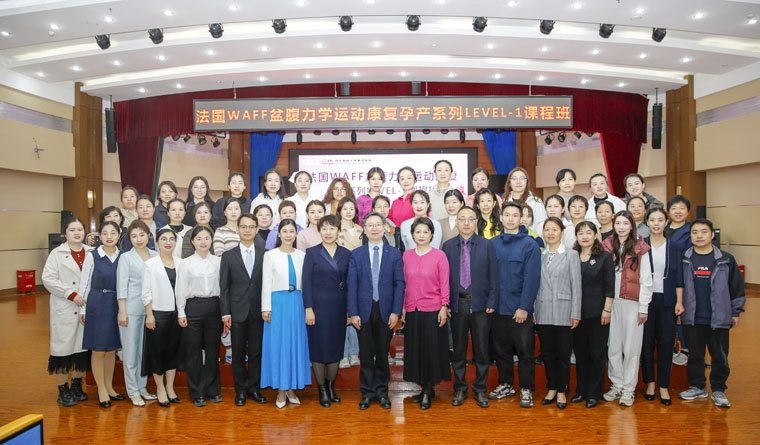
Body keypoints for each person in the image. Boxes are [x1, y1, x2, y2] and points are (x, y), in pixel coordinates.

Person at [676, 219, 745, 408]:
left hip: (719, 316)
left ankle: (719, 389)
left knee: (720, 355)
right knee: (695, 355)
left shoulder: (726, 259)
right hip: (692, 316)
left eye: (704, 232)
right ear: (690, 235)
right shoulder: (683, 258)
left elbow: (737, 287)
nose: (699, 236)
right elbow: (678, 285)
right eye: (695, 232)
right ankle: (697, 386)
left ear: (712, 235)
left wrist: (735, 312)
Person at [348, 211, 405, 410]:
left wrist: (396, 312)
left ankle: (382, 393)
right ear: (364, 229)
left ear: (384, 228)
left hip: (386, 311)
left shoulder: (394, 254)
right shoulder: (356, 254)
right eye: (370, 225)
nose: (374, 228)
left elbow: (399, 284)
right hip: (363, 311)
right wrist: (353, 313)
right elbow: (352, 286)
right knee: (366, 355)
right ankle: (367, 394)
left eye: (378, 224)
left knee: (382, 354)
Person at [442, 206, 497, 408]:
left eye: (470, 219)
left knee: (481, 350)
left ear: (476, 222)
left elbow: (494, 275)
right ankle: (460, 388)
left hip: (481, 304)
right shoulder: (448, 246)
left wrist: (492, 301)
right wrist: (445, 302)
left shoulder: (487, 245)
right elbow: (443, 278)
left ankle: (480, 389)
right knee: (458, 349)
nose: (466, 223)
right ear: (456, 222)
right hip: (457, 304)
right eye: (462, 219)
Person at [489, 202, 541, 408]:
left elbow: (532, 279)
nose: (510, 219)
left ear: (522, 219)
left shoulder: (530, 245)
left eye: (515, 215)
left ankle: (526, 388)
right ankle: (506, 384)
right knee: (501, 350)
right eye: (507, 215)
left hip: (520, 309)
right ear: (501, 218)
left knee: (525, 351)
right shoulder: (492, 244)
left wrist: (524, 307)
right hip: (498, 308)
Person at [602, 211, 652, 407]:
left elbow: (646, 280)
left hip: (633, 303)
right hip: (611, 303)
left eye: (625, 223)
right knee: (613, 347)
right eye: (618, 223)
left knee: (631, 349)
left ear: (632, 225)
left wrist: (643, 307)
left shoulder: (640, 247)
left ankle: (629, 389)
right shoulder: (607, 245)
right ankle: (617, 385)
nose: (621, 227)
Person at [42, 218, 94, 407]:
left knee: (82, 350)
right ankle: (63, 389)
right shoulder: (57, 254)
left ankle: (77, 385)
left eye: (80, 229)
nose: (77, 233)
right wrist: (71, 294)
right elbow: (48, 279)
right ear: (65, 233)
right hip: (65, 306)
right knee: (62, 351)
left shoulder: (91, 252)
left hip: (86, 308)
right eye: (72, 230)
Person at [261, 219, 311, 408]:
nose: (288, 235)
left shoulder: (302, 256)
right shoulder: (270, 255)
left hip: (297, 303)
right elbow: (266, 282)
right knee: (279, 345)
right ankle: (281, 390)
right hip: (277, 304)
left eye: (291, 231)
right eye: (285, 231)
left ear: (296, 234)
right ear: (279, 234)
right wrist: (266, 307)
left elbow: (306, 284)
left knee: (294, 345)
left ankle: (291, 388)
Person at [402, 218, 451, 410]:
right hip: (412, 310)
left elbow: (445, 282)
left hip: (433, 310)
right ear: (412, 235)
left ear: (432, 235)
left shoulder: (439, 256)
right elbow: (403, 284)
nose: (421, 235)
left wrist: (444, 306)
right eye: (418, 232)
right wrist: (403, 307)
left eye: (425, 232)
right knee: (416, 351)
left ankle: (429, 389)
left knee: (431, 351)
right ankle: (424, 388)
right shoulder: (406, 256)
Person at [302, 215, 351, 407]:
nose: (328, 232)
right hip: (317, 308)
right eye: (324, 229)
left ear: (338, 231)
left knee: (335, 348)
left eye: (332, 228)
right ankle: (321, 389)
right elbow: (306, 282)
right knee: (318, 348)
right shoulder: (312, 252)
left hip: (338, 307)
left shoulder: (346, 253)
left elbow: (350, 284)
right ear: (319, 231)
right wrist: (308, 308)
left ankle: (331, 387)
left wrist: (349, 310)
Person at [220, 214, 268, 406]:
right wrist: (225, 312)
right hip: (236, 311)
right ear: (237, 229)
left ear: (257, 229)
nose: (247, 230)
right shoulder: (228, 255)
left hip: (258, 311)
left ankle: (254, 389)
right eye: (244, 226)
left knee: (256, 352)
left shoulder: (266, 254)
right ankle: (240, 391)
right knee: (238, 353)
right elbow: (224, 287)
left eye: (251, 227)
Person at [534, 217, 582, 409]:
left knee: (563, 354)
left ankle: (562, 390)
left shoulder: (571, 255)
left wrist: (576, 313)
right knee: (548, 353)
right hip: (543, 310)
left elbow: (576, 286)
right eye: (547, 229)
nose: (550, 233)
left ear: (562, 232)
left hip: (564, 310)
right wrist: (534, 310)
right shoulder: (540, 256)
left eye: (554, 229)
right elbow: (535, 286)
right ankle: (552, 387)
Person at [176, 226, 224, 407]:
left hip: (214, 307)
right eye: (199, 239)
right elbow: (180, 289)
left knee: (212, 351)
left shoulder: (218, 262)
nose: (203, 242)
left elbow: (223, 289)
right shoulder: (185, 263)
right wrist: (181, 311)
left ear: (212, 240)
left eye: (206, 238)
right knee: (194, 352)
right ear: (192, 242)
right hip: (193, 307)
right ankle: (197, 392)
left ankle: (213, 390)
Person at [571, 221, 615, 409]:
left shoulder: (604, 257)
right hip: (576, 314)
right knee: (581, 354)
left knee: (597, 354)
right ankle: (581, 391)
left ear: (595, 235)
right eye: (580, 233)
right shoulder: (572, 256)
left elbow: (610, 286)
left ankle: (595, 393)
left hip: (598, 313)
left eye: (588, 233)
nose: (585, 236)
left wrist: (607, 309)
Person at [80, 221, 122, 408]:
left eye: (113, 233)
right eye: (105, 233)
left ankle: (110, 387)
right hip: (98, 303)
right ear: (99, 236)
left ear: (119, 235)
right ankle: (101, 389)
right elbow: (84, 283)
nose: (109, 236)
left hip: (116, 304)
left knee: (111, 348)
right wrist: (83, 309)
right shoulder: (93, 256)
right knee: (98, 348)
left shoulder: (123, 256)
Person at [117, 220, 158, 406]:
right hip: (131, 310)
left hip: (151, 311)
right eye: (134, 236)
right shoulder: (126, 258)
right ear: (129, 239)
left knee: (144, 352)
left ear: (148, 235)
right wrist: (122, 312)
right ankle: (133, 391)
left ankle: (142, 388)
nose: (139, 239)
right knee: (131, 353)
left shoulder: (155, 256)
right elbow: (121, 286)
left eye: (142, 235)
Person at [141, 227, 182, 407]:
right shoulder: (150, 264)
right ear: (157, 242)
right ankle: (160, 388)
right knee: (157, 353)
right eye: (163, 239)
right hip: (157, 313)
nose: (168, 242)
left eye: (171, 239)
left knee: (173, 352)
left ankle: (170, 387)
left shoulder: (181, 263)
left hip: (177, 314)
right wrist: (149, 314)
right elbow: (146, 292)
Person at [641, 207, 675, 405]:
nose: (656, 223)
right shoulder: (641, 245)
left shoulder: (674, 246)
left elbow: (679, 277)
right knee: (646, 343)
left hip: (667, 300)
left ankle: (663, 385)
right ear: (647, 223)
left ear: (666, 222)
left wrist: (680, 302)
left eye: (660, 220)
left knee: (666, 343)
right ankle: (650, 383)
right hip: (645, 299)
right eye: (652, 220)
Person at [665, 195, 693, 366]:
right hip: (663, 279)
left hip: (683, 278)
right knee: (667, 315)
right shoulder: (663, 227)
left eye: (682, 208)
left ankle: (686, 350)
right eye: (674, 208)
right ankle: (671, 348)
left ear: (688, 211)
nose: (678, 211)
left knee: (682, 314)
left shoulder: (691, 231)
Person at [503, 167, 546, 232]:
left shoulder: (536, 201)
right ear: (509, 182)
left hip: (531, 237)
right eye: (514, 178)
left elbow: (541, 225)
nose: (518, 182)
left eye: (522, 178)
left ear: (527, 181)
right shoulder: (504, 201)